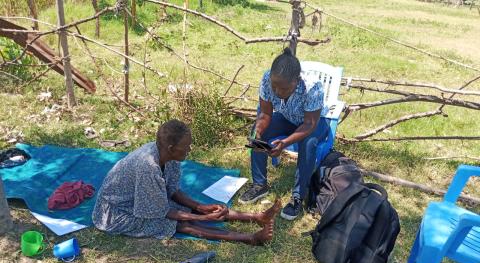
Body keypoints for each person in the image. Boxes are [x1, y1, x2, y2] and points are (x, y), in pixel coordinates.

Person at [92, 119, 281, 245]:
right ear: (171, 147)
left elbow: (172, 191)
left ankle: (257, 217)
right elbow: (160, 212)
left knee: (187, 211)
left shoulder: (168, 156)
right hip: (114, 212)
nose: (189, 150)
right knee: (172, 224)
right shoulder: (148, 166)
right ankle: (250, 238)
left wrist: (201, 207)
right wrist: (200, 218)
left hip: (139, 200)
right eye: (186, 147)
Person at [238, 48, 330, 221]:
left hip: (313, 123)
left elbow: (310, 124)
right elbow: (265, 114)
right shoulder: (267, 78)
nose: (278, 92)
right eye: (275, 87)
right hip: (287, 118)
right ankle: (260, 184)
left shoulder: (312, 86)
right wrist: (258, 130)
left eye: (284, 88)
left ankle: (297, 197)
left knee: (308, 143)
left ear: (296, 80)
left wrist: (284, 143)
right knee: (257, 133)